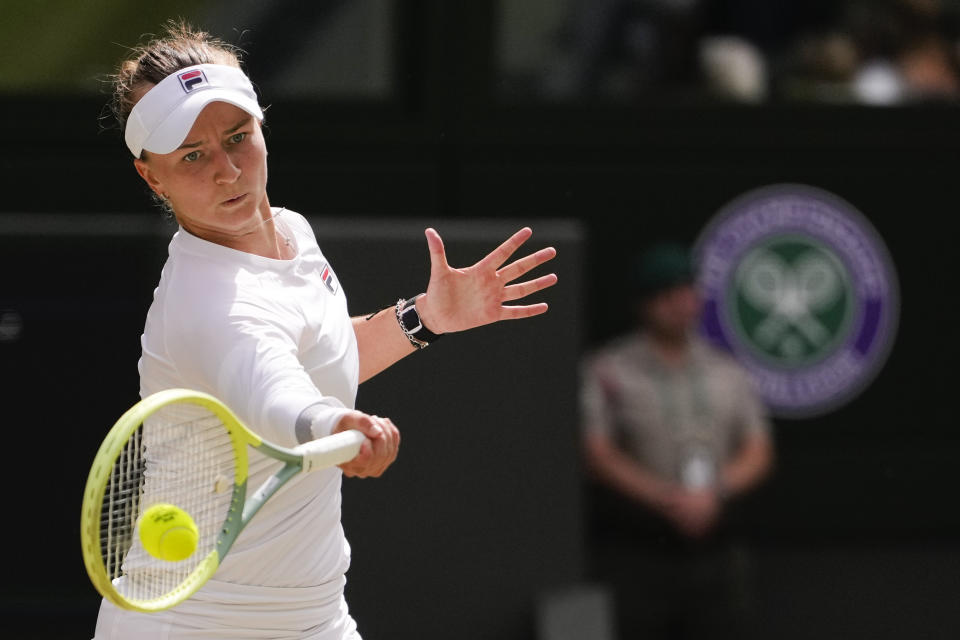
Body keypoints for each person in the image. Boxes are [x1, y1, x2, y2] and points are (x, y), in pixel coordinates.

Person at [93, 21, 557, 640]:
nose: (228, 172)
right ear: (152, 176)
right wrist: (334, 424)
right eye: (193, 157)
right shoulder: (212, 306)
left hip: (315, 617)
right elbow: (274, 389)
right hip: (190, 625)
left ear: (262, 124)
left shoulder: (291, 231)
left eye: (238, 138)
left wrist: (425, 317)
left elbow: (320, 356)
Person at [579, 242, 773, 640]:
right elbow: (596, 453)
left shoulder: (728, 370)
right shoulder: (609, 369)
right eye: (664, 293)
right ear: (643, 303)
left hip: (716, 549)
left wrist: (713, 494)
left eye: (686, 290)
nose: (678, 303)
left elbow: (758, 450)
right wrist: (667, 498)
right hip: (638, 547)